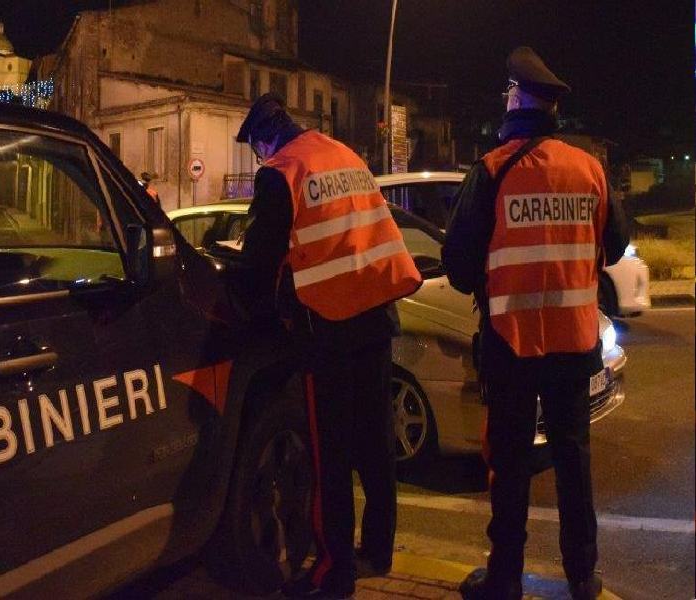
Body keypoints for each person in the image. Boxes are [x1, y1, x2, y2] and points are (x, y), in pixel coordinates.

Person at [442, 47, 629, 600]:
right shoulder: (589, 170)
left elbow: (456, 265)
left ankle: (504, 579)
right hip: (574, 343)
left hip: (511, 344)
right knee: (573, 458)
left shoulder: (494, 170)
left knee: (512, 463)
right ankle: (582, 575)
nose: (506, 96)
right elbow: (614, 245)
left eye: (508, 90)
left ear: (519, 99)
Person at [236, 93, 422, 599]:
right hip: (377, 319)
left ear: (264, 138)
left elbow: (258, 263)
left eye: (257, 149)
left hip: (330, 329)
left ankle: (334, 574)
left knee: (330, 457)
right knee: (376, 445)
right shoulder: (344, 154)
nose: (260, 159)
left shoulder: (282, 171)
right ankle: (378, 550)